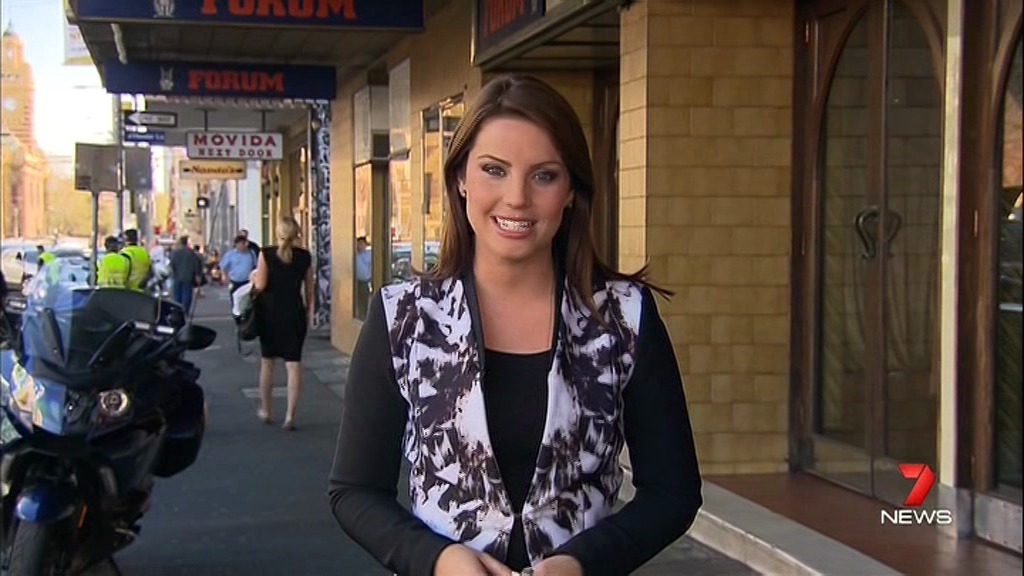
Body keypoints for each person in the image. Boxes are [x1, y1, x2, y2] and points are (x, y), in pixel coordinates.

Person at [328, 74, 702, 576]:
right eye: (494, 170)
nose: (517, 197)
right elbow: (354, 490)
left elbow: (673, 491)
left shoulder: (623, 318)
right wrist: (438, 559)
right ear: (461, 178)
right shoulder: (404, 317)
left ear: (570, 191)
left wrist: (580, 563)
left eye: (544, 175)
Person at [250, 216, 313, 431]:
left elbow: (260, 285)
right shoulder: (304, 257)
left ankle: (266, 410)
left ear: (278, 233)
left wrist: (252, 278)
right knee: (293, 364)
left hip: (269, 315)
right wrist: (309, 314)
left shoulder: (266, 254)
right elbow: (310, 290)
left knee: (268, 363)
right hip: (294, 313)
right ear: (296, 234)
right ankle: (290, 416)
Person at [168, 236, 203, 314]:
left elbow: (172, 265)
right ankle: (185, 310)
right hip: (188, 276)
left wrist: (173, 274)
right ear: (186, 243)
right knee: (187, 294)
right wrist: (197, 274)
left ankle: (178, 309)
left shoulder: (175, 253)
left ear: (180, 243)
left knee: (177, 295)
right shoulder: (191, 253)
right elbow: (196, 264)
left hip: (177, 276)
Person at [354, 236, 371, 319]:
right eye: (358, 244)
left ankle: (364, 316)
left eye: (361, 244)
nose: (359, 246)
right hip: (355, 281)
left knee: (364, 300)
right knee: (357, 300)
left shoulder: (369, 255)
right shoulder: (354, 255)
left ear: (365, 244)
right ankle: (358, 315)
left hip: (365, 281)